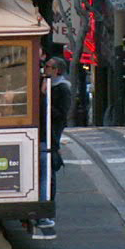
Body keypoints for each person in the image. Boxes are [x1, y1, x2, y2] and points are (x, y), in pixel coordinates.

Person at [37, 55, 73, 237]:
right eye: (45, 66)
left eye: (49, 67)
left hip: (51, 135)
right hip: (43, 134)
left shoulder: (62, 88)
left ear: (57, 70)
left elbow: (60, 114)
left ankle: (47, 207)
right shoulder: (44, 84)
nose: (45, 69)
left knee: (47, 172)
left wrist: (45, 97)